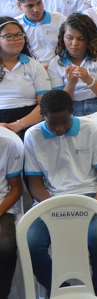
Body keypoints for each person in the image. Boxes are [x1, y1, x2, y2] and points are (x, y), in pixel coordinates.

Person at [24, 89, 97, 298]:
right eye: (52, 123)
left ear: (72, 111)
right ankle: (62, 289)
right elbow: (35, 185)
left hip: (90, 196)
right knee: (31, 242)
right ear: (41, 116)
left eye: (64, 121)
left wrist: (94, 207)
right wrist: (53, 207)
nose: (59, 128)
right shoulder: (33, 136)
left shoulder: (92, 130)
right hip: (50, 199)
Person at [47, 13, 97, 214]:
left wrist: (89, 79)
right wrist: (71, 83)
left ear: (90, 40)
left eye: (81, 39)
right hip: (69, 111)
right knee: (65, 151)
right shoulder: (56, 63)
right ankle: (67, 203)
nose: (74, 43)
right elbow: (58, 104)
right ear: (62, 38)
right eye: (70, 38)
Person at [0, 17, 50, 139]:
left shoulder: (34, 66)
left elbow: (45, 105)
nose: (17, 39)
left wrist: (19, 124)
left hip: (29, 122)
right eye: (9, 36)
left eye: (19, 34)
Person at [15, 0, 65, 68]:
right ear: (19, 6)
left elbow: (67, 49)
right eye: (30, 6)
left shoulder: (59, 19)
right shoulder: (15, 25)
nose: (36, 10)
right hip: (28, 68)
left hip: (58, 67)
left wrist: (53, 66)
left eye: (39, 3)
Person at [0, 125, 22, 299]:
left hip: (2, 206)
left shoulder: (8, 145)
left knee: (5, 246)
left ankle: (3, 293)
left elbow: (16, 189)